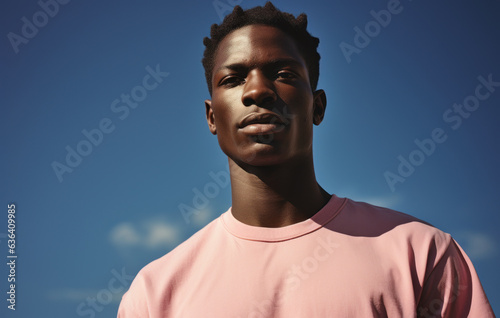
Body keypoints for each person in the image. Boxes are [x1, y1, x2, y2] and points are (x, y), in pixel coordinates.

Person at [117, 2, 494, 317]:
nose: (258, 90)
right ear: (212, 116)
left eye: (282, 74)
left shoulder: (421, 254)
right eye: (233, 79)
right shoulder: (154, 295)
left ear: (317, 106)